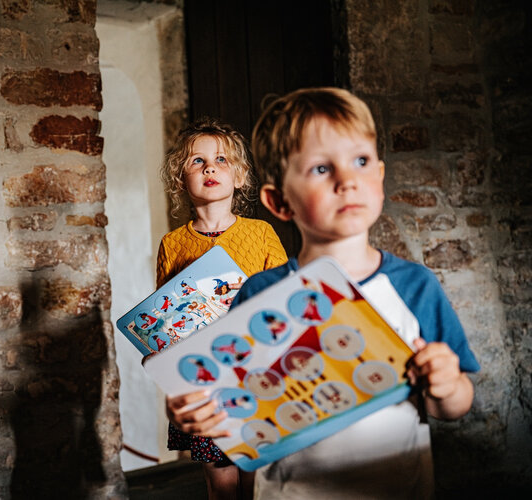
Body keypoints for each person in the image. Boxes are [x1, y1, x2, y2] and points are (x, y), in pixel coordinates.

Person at [166, 88, 480, 499]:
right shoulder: (260, 293)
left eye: (361, 161)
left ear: (380, 177)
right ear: (279, 201)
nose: (347, 180)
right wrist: (198, 413)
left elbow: (453, 407)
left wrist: (447, 386)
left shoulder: (415, 285)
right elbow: (234, 412)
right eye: (319, 169)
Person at [158, 118, 287, 499]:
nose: (209, 167)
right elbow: (167, 316)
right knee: (221, 483)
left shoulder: (261, 234)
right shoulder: (173, 243)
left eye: (221, 160)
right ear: (182, 180)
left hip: (255, 369)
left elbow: (280, 300)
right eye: (197, 162)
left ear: (241, 177)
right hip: (204, 378)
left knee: (256, 480)